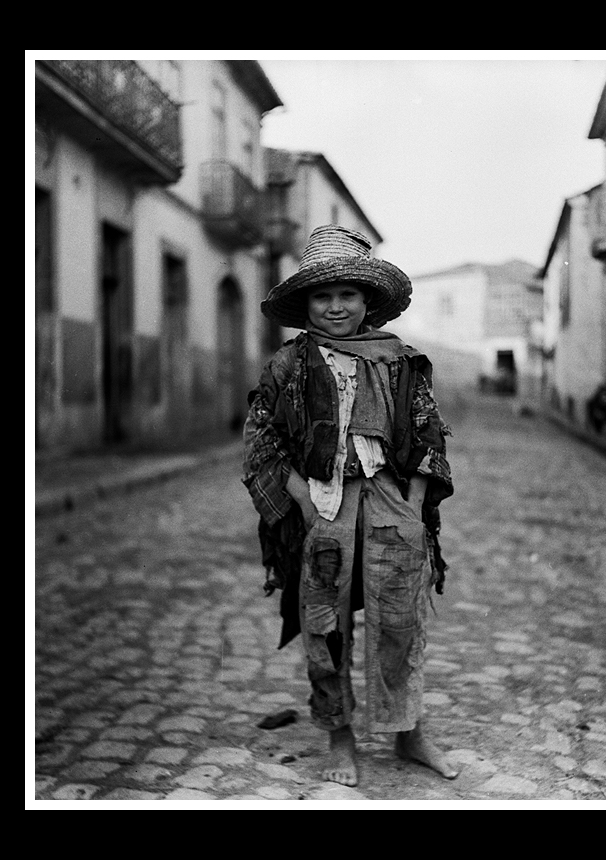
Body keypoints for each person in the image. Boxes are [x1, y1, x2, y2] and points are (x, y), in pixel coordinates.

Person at [242, 225, 458, 787]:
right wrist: (308, 508)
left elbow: (428, 436)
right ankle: (340, 738)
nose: (336, 306)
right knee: (325, 620)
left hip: (391, 500)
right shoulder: (288, 366)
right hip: (322, 501)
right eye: (323, 295)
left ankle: (409, 731)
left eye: (348, 294)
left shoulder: (401, 362)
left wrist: (412, 507)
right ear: (306, 304)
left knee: (401, 620)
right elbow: (261, 442)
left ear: (368, 302)